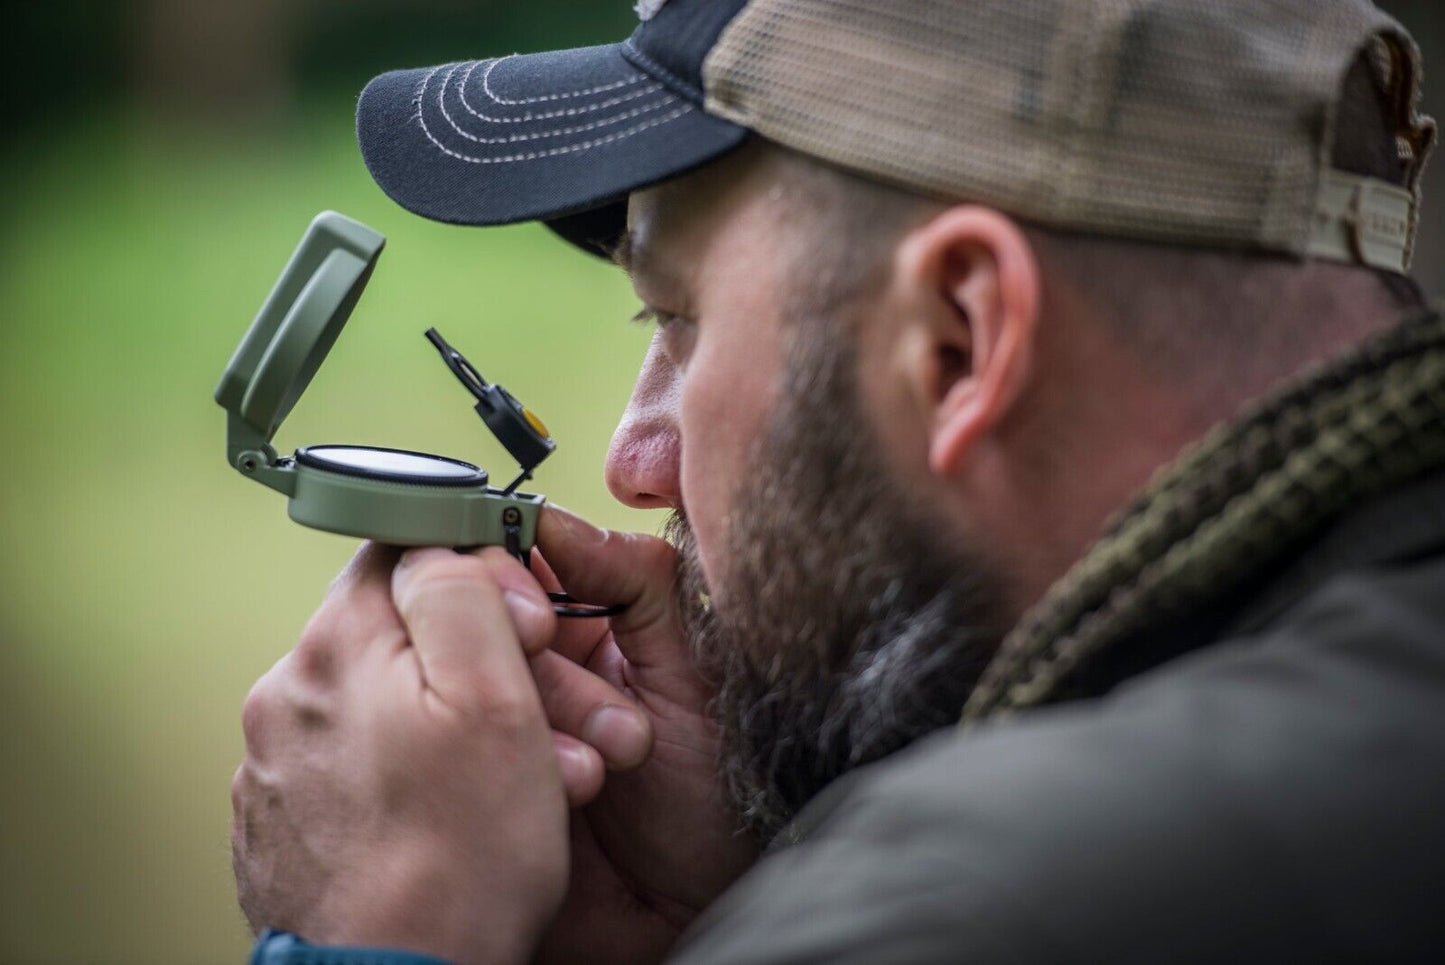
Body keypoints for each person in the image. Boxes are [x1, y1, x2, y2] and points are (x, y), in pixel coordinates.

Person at [231, 1, 1445, 962]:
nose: (632, 461)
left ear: (958, 341)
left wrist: (374, 938)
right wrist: (745, 903)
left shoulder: (953, 910)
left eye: (680, 317)